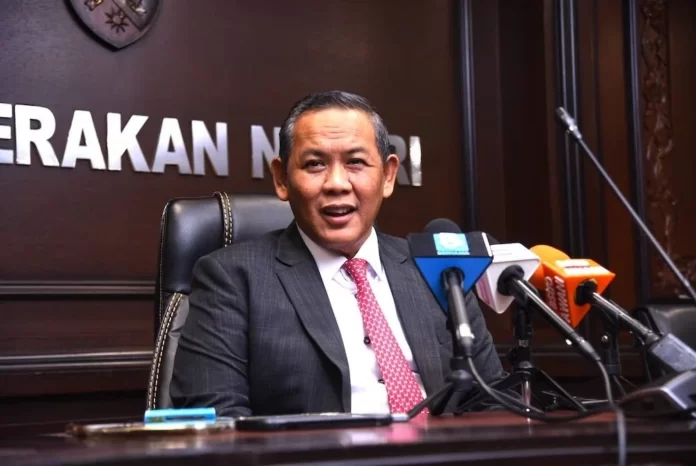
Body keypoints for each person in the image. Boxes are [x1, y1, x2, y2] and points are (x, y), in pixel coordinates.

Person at [170, 90, 505, 417]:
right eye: (315, 164)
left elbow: (493, 401)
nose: (337, 184)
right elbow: (215, 419)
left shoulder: (437, 270)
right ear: (282, 179)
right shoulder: (232, 278)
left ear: (388, 176)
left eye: (356, 162)